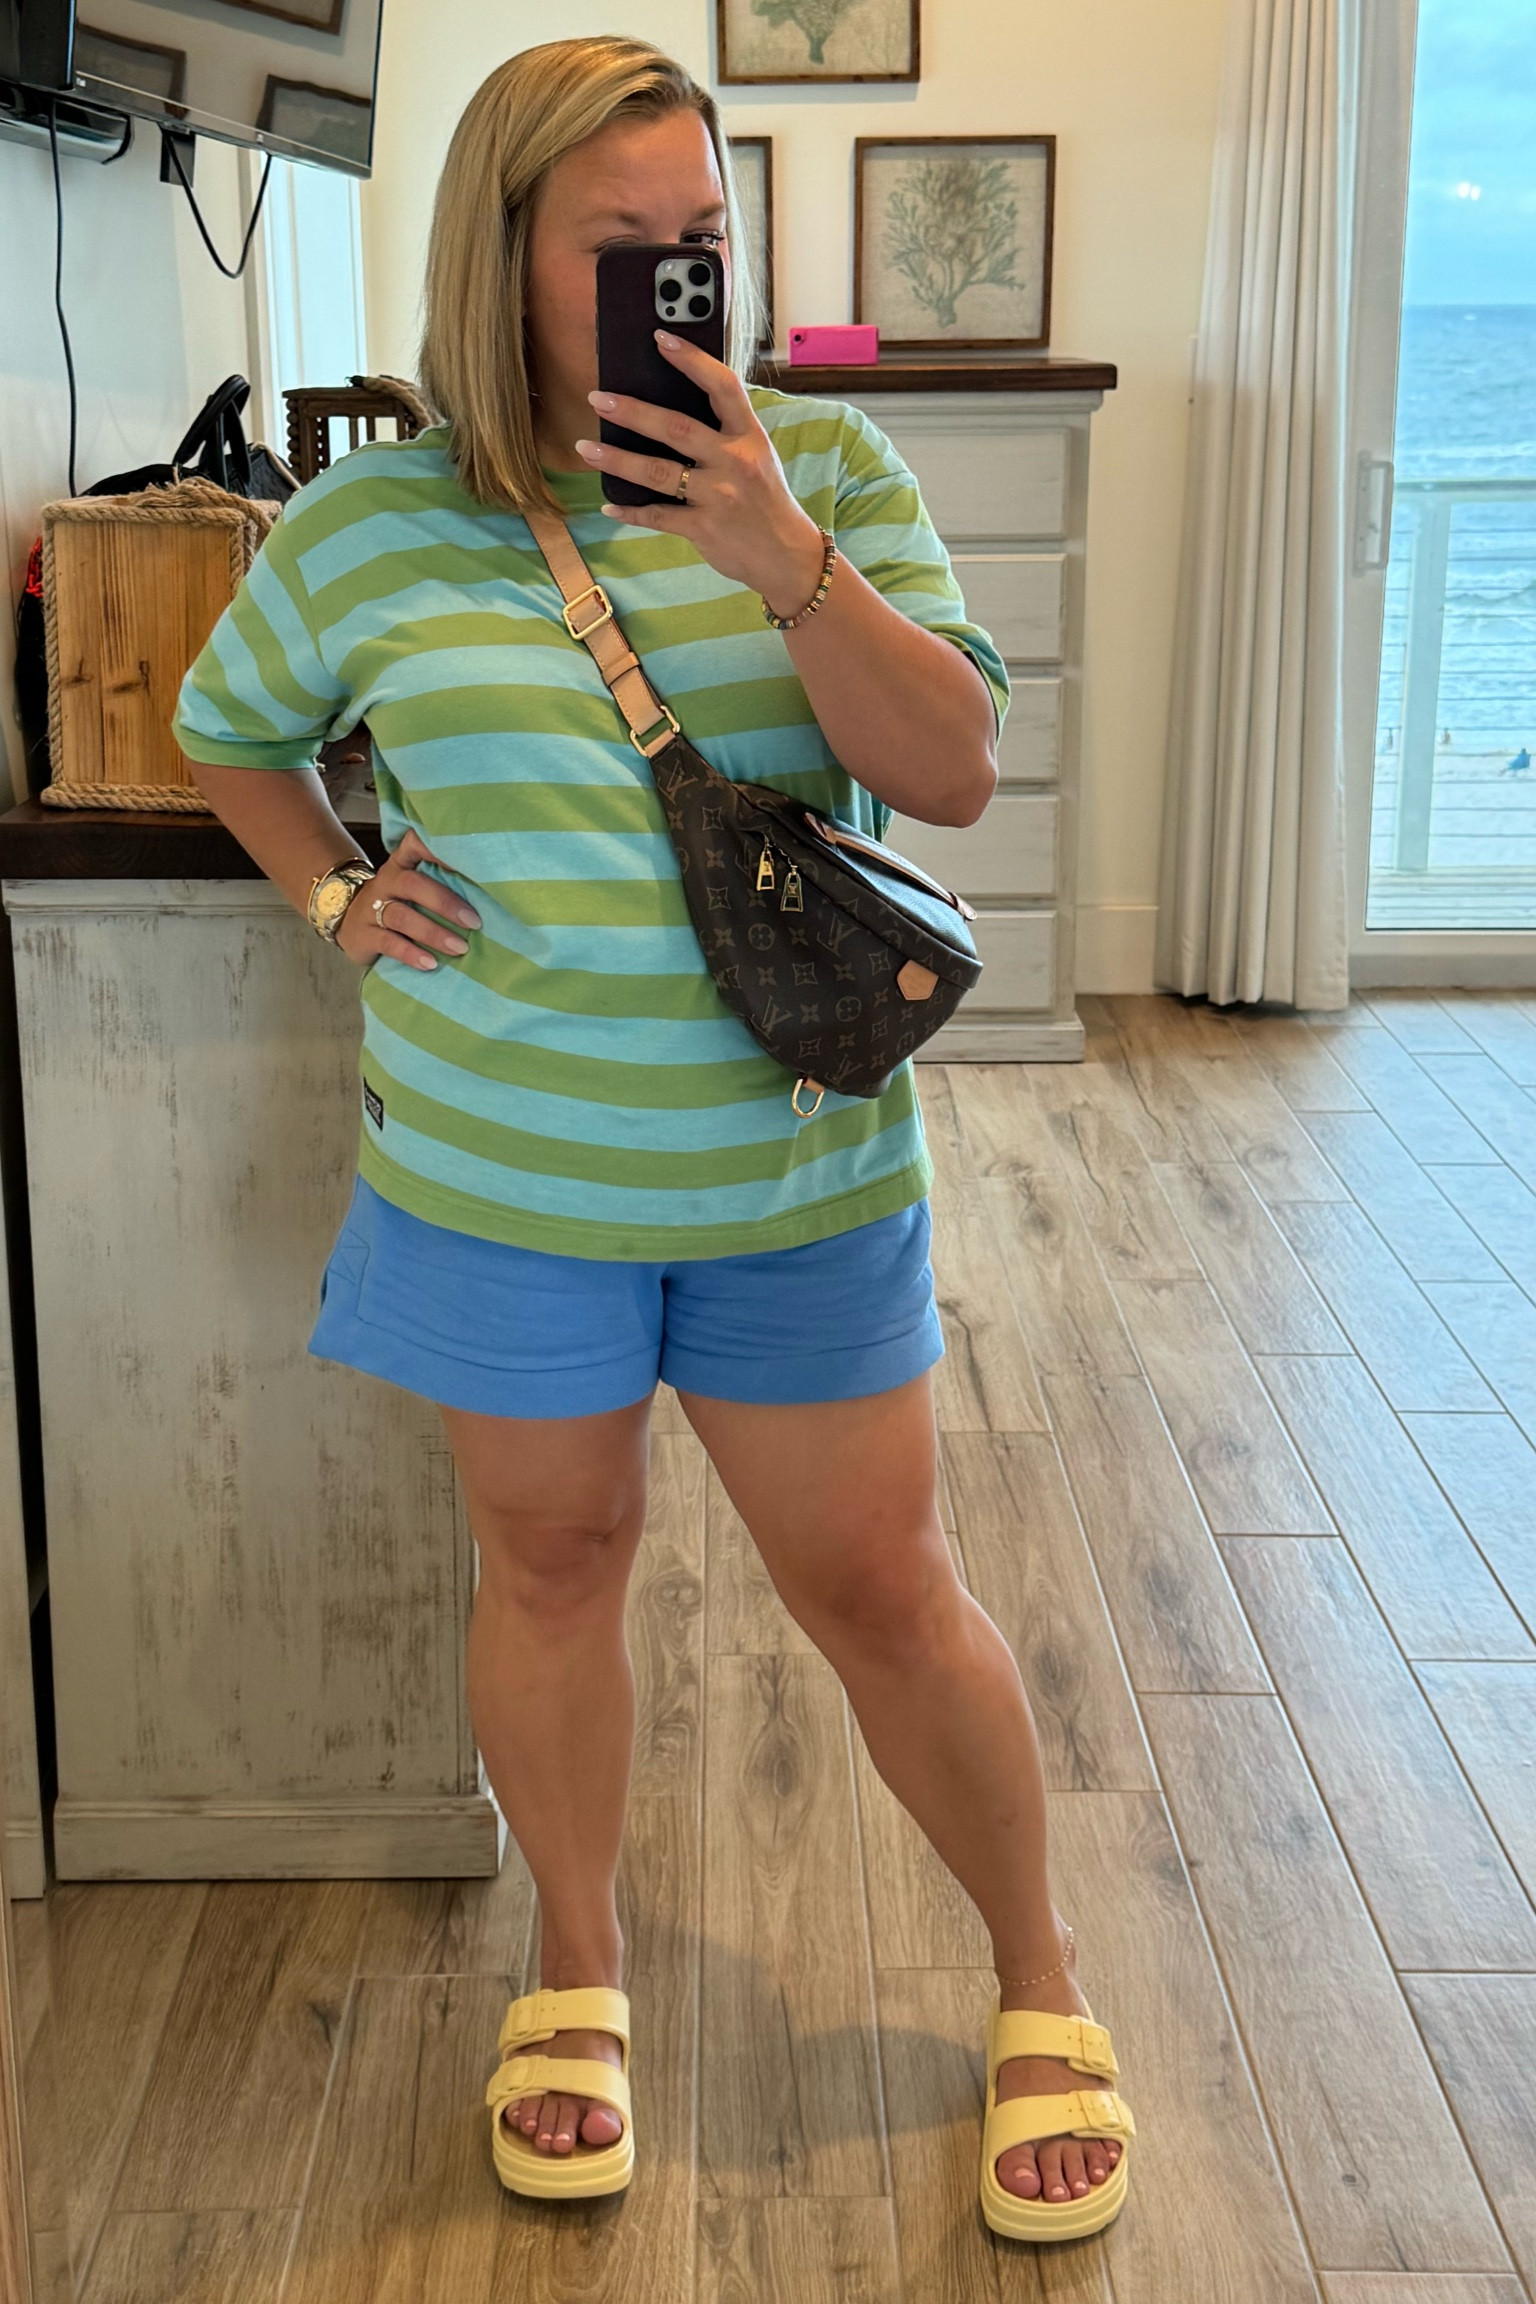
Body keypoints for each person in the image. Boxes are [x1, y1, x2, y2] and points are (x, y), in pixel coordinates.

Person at [172, 35, 1133, 2243]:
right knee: (554, 1565)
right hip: (504, 1181)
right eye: (622, 245)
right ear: (500, 257)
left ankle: (1043, 1973)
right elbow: (232, 733)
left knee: (883, 1588)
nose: (675, 281)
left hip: (794, 1175)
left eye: (702, 239)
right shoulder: (368, 527)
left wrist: (778, 552)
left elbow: (957, 771)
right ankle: (580, 1967)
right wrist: (338, 893)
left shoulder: (830, 471)